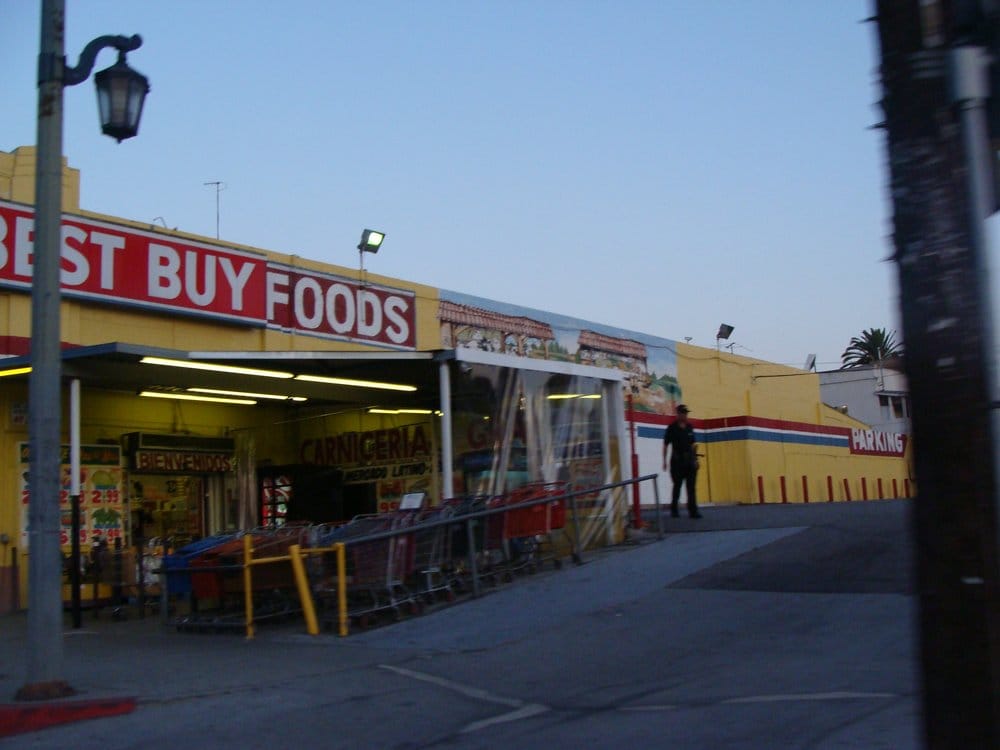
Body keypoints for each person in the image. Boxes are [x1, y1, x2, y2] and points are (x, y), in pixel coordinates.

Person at [662, 404, 702, 518]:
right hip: (677, 461)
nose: (685, 415)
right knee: (677, 486)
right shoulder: (672, 428)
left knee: (691, 487)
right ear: (678, 414)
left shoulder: (690, 427)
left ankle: (693, 511)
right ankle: (674, 510)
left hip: (689, 461)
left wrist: (696, 460)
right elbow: (665, 445)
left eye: (686, 413)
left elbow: (694, 445)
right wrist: (664, 461)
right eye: (683, 413)